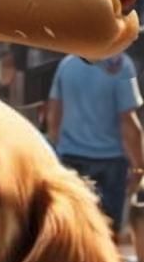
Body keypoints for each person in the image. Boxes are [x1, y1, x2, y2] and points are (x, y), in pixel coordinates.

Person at [46, 51, 144, 238]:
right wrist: (139, 165)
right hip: (111, 164)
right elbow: (128, 121)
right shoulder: (123, 66)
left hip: (71, 159)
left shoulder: (67, 65)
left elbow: (54, 114)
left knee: (74, 227)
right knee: (107, 231)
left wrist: (61, 147)